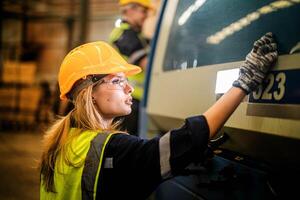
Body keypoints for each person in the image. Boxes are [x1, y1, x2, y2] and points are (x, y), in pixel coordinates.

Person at [39, 33, 277, 199]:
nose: (129, 88)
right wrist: (245, 82)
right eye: (117, 80)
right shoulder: (111, 149)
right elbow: (184, 140)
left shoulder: (63, 139)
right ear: (90, 91)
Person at [108, 0, 152, 135]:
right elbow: (147, 64)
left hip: (134, 99)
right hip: (128, 100)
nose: (146, 16)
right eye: (143, 11)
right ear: (130, 10)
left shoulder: (136, 35)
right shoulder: (124, 34)